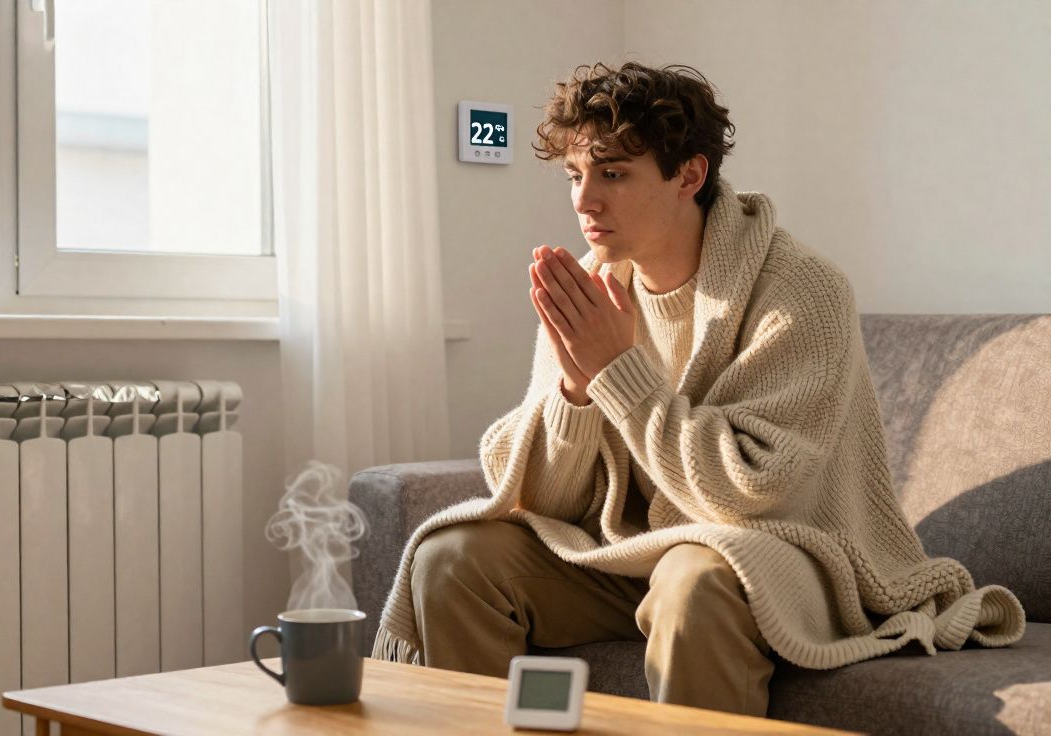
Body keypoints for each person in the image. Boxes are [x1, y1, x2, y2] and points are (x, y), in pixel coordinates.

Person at [370, 60, 1025, 717]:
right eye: (575, 175)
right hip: (633, 557)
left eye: (612, 174)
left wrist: (617, 373)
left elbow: (749, 493)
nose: (584, 200)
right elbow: (542, 501)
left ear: (689, 175)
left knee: (693, 578)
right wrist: (575, 390)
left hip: (784, 557)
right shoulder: (595, 288)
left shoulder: (802, 291)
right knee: (454, 559)